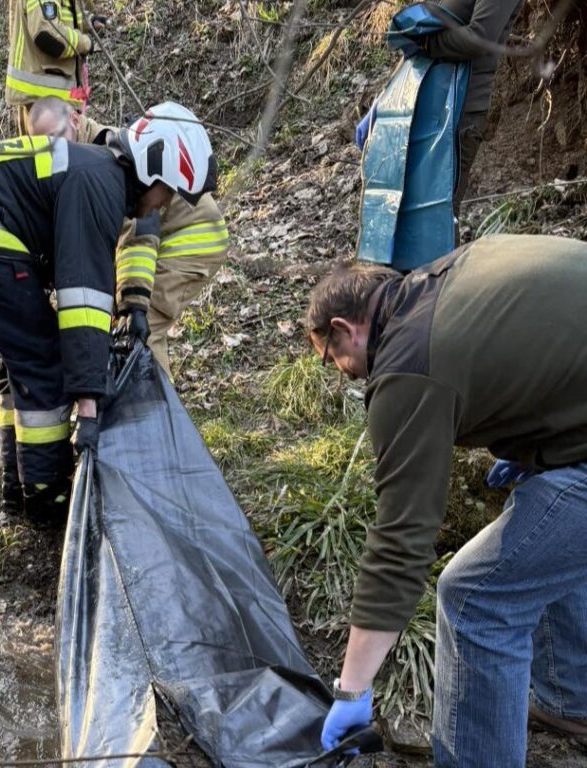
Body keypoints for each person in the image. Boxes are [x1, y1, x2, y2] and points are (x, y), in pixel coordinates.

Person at [306, 234, 587, 767]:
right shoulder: (448, 275)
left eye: (331, 358)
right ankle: (571, 696)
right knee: (542, 518)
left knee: (474, 597)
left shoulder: (409, 365)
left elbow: (400, 542)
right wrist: (543, 442)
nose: (343, 372)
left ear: (344, 329)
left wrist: (352, 690)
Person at [0, 103, 216, 523]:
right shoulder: (99, 182)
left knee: (23, 351)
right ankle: (46, 501)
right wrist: (87, 405)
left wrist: (135, 305)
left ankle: (18, 490)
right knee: (43, 360)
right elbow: (83, 300)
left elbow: (129, 246)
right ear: (153, 170)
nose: (168, 202)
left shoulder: (99, 171)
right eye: (171, 190)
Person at [26, 96, 230, 378]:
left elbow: (139, 230)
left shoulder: (108, 159)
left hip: (193, 238)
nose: (52, 150)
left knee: (143, 329)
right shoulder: (82, 157)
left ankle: (152, 416)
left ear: (75, 121)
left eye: (56, 139)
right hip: (160, 233)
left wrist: (133, 305)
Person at [357, 0, 524, 213]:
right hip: (422, 105)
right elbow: (416, 48)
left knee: (438, 214)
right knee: (409, 210)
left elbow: (480, 38)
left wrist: (427, 44)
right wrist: (385, 101)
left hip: (461, 112)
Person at [5, 0, 108, 133]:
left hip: (53, 97)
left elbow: (64, 16)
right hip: (42, 99)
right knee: (50, 153)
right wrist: (86, 43)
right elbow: (47, 35)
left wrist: (90, 21)